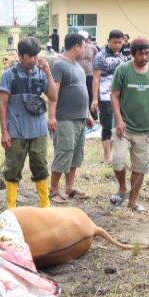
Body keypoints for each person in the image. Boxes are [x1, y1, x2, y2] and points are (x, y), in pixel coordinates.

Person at [110, 37, 149, 212]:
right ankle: (122, 188)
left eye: (147, 53)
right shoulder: (123, 70)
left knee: (140, 167)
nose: (144, 57)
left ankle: (132, 202)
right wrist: (119, 120)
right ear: (133, 54)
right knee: (119, 161)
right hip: (124, 126)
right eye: (140, 53)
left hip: (145, 128)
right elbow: (114, 95)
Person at [0, 36, 59, 209]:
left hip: (38, 130)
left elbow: (53, 96)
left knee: (40, 165)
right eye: (29, 56)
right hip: (16, 131)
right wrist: (4, 132)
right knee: (12, 169)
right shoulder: (8, 75)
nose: (33, 59)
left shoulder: (41, 73)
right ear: (20, 55)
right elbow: (2, 104)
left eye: (35, 55)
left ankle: (45, 205)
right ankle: (11, 207)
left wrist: (48, 72)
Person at [48, 33, 94, 203]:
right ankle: (53, 190)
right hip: (64, 118)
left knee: (76, 154)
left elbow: (83, 93)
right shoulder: (59, 66)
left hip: (80, 119)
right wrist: (52, 117)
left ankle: (69, 188)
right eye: (84, 46)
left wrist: (88, 114)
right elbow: (54, 94)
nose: (85, 50)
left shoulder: (79, 67)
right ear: (76, 46)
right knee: (64, 152)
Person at [92, 30, 127, 163]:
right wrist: (95, 99)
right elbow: (96, 79)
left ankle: (116, 151)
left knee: (118, 123)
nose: (118, 45)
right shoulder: (100, 56)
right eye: (115, 42)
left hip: (120, 95)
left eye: (120, 42)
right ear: (108, 41)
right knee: (107, 125)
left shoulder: (122, 56)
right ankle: (107, 155)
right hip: (105, 94)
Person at [77, 30, 98, 121]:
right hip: (78, 75)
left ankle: (93, 116)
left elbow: (96, 60)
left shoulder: (93, 48)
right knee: (80, 96)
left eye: (86, 39)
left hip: (90, 75)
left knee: (91, 95)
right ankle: (81, 115)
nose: (85, 41)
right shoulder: (76, 48)